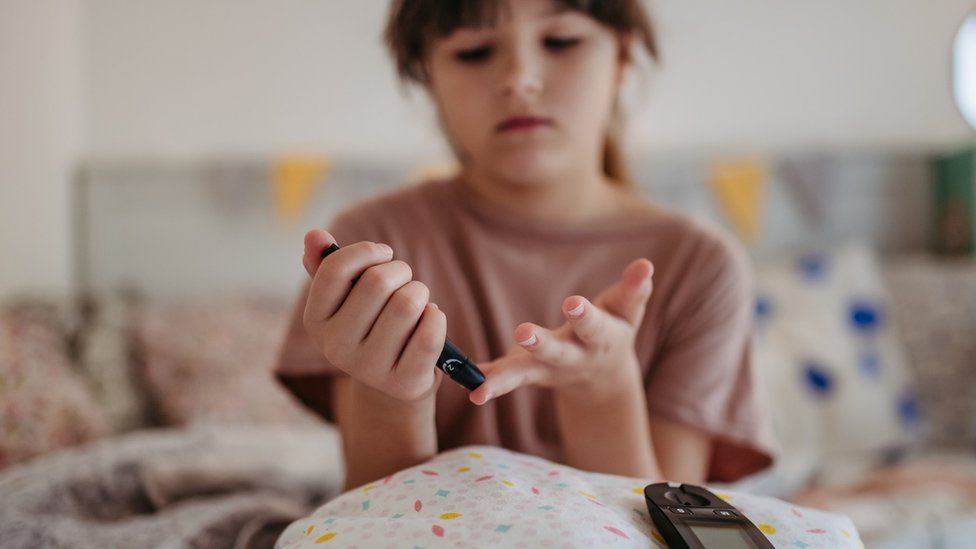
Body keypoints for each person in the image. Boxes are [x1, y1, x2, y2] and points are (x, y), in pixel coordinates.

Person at [274, 0, 776, 492]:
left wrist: (601, 390)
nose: (519, 78)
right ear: (428, 75)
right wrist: (392, 396)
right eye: (473, 52)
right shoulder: (379, 240)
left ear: (622, 59)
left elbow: (668, 526)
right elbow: (374, 514)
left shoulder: (700, 264)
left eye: (561, 41)